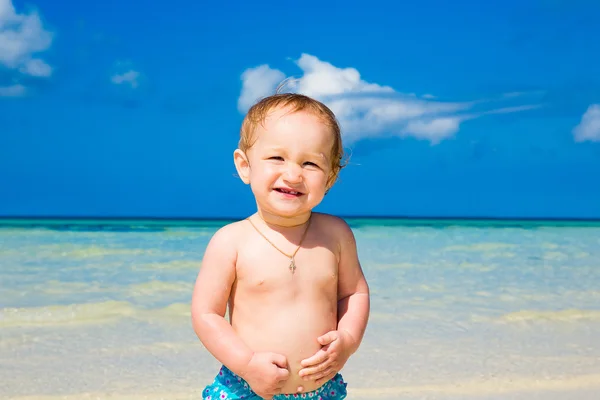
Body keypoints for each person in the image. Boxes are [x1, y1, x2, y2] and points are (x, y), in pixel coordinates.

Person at [191, 92, 370, 400]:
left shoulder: (336, 234)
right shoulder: (231, 240)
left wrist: (348, 339)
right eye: (277, 157)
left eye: (311, 163)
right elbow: (206, 314)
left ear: (330, 177)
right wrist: (247, 365)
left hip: (321, 391)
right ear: (245, 166)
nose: (293, 174)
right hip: (245, 388)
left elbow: (354, 292)